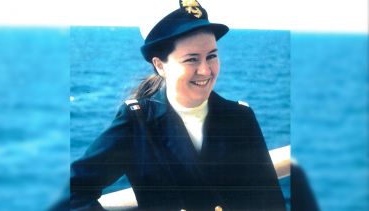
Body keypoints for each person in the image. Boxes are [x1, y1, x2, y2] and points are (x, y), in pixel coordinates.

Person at [70, 0, 286, 210]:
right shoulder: (137, 122)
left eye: (212, 56)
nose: (206, 70)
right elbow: (72, 192)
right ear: (160, 65)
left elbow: (270, 202)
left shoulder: (239, 117)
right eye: (192, 59)